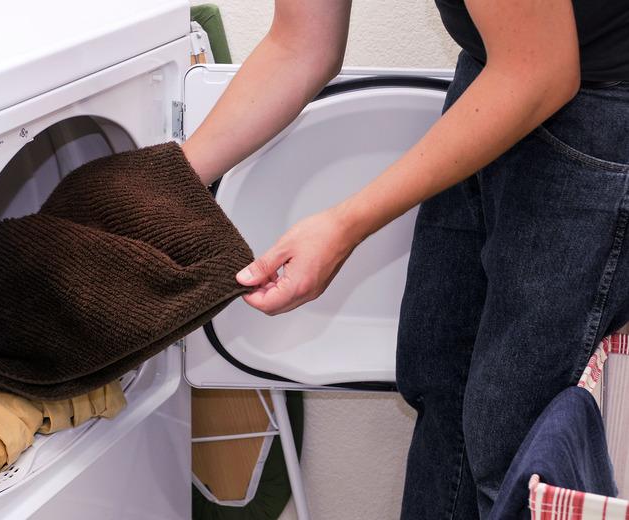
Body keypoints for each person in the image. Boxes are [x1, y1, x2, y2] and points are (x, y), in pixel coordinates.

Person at [181, 1, 629, 518]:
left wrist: (343, 226)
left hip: (598, 107)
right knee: (441, 382)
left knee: (516, 443)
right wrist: (167, 183)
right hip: (496, 74)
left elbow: (540, 72)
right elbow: (300, 45)